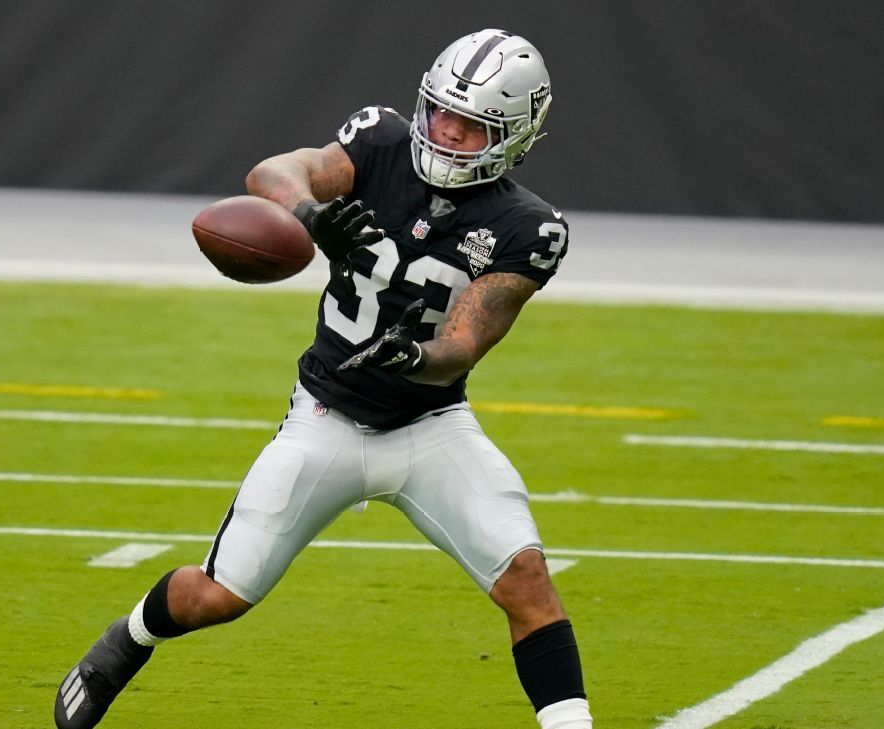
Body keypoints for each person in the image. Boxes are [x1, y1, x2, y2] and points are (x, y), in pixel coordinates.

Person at [54, 29, 590, 729]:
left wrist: (412, 358)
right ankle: (125, 642)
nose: (448, 131)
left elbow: (465, 340)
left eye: (472, 125)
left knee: (526, 580)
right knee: (218, 594)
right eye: (441, 113)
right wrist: (308, 214)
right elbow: (275, 172)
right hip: (325, 417)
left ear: (516, 135)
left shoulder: (530, 226)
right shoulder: (379, 142)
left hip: (430, 428)